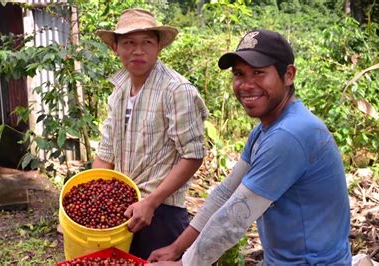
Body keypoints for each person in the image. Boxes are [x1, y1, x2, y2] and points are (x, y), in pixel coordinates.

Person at [148, 29, 351, 265]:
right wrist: (177, 249)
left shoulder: (290, 134)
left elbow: (234, 218)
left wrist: (185, 264)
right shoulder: (266, 130)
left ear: (288, 75)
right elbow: (225, 193)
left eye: (258, 73)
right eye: (239, 74)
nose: (246, 85)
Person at [93, 8, 208, 260]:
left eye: (146, 42)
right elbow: (106, 153)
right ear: (115, 47)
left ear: (158, 47)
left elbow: (193, 155)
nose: (137, 50)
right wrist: (94, 197)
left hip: (161, 212)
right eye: (129, 43)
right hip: (124, 211)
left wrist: (151, 202)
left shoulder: (176, 90)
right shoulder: (119, 91)